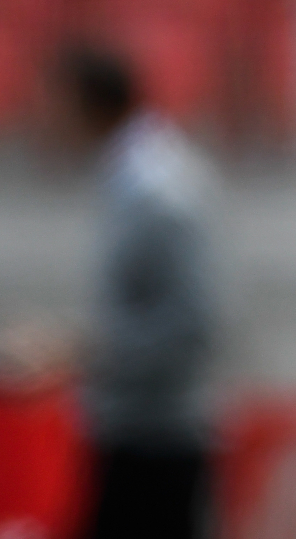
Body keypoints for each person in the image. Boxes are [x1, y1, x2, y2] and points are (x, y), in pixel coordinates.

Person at [57, 43, 217, 539]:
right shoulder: (130, 178)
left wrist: (91, 352)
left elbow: (196, 320)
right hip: (131, 428)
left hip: (157, 437)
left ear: (86, 103)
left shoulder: (158, 189)